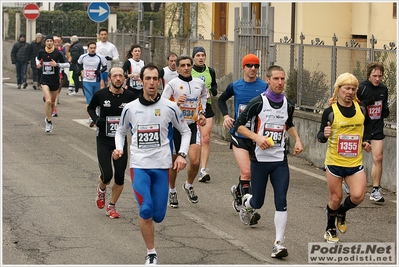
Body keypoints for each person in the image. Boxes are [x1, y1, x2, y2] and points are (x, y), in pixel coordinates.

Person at [113, 63, 191, 265]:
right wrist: (119, 148)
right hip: (139, 166)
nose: (151, 82)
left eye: (155, 79)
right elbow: (120, 132)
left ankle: (152, 243)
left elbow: (186, 131)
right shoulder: (130, 108)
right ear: (141, 81)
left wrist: (182, 154)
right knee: (145, 209)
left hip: (162, 166)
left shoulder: (170, 107)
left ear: (159, 81)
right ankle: (151, 253)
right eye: (147, 78)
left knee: (158, 215)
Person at [233, 65, 303, 258]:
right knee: (259, 202)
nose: (280, 82)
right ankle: (247, 202)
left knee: (281, 200)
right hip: (260, 160)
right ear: (268, 80)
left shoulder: (288, 104)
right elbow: (238, 126)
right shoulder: (258, 102)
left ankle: (278, 243)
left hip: (280, 161)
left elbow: (288, 123)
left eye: (282, 79)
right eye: (276, 79)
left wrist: (297, 139)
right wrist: (257, 138)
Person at [317, 72, 372, 244]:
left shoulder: (361, 109)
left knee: (358, 196)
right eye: (346, 88)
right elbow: (320, 136)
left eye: (353, 89)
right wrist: (324, 135)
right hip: (334, 162)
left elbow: (368, 125)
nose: (349, 92)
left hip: (354, 162)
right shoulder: (330, 112)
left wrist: (366, 141)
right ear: (338, 89)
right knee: (335, 198)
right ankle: (330, 228)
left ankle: (342, 212)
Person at [218, 54, 268, 212]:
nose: (253, 68)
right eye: (249, 65)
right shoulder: (235, 85)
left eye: (256, 66)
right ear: (243, 67)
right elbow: (221, 100)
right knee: (246, 171)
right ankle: (248, 211)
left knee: (253, 174)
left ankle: (238, 191)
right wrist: (226, 116)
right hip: (239, 134)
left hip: (258, 136)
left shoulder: (265, 86)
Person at [87, 66, 136, 219]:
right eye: (114, 76)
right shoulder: (101, 94)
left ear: (124, 78)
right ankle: (101, 190)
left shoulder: (130, 96)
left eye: (120, 76)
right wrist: (96, 120)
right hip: (104, 139)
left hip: (120, 141)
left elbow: (139, 110)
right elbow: (90, 108)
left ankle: (112, 206)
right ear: (109, 79)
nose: (118, 79)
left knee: (120, 176)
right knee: (107, 175)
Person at [161, 55, 208, 208]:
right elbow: (162, 103)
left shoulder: (199, 83)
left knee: (195, 162)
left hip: (192, 126)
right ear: (178, 67)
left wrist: (202, 113)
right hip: (175, 127)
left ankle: (188, 185)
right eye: (183, 65)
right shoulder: (172, 84)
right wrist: (175, 102)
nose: (186, 68)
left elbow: (203, 98)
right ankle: (172, 190)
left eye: (188, 65)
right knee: (175, 163)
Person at [356, 62, 390, 202]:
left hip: (376, 128)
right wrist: (364, 103)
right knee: (353, 158)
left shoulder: (384, 89)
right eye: (374, 76)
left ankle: (376, 190)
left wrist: (385, 110)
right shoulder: (362, 88)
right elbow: (353, 106)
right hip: (361, 128)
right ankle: (348, 182)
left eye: (380, 76)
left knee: (378, 158)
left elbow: (384, 106)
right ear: (369, 75)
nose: (377, 79)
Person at [191, 46, 218, 183]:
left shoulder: (210, 71)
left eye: (203, 55)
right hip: (191, 109)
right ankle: (192, 162)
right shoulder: (189, 71)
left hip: (206, 107)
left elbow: (214, 87)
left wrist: (211, 91)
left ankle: (203, 170)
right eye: (198, 55)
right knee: (191, 139)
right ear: (194, 57)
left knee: (205, 139)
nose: (201, 57)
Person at [36, 35, 70, 132]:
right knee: (48, 101)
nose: (49, 42)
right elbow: (37, 59)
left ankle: (48, 117)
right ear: (45, 42)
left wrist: (57, 64)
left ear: (53, 42)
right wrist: (38, 64)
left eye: (51, 41)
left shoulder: (58, 53)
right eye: (48, 41)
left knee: (52, 103)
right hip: (44, 80)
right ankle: (49, 122)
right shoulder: (41, 52)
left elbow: (67, 64)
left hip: (54, 80)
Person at [77, 41, 107, 126]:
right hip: (86, 81)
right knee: (89, 100)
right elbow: (78, 64)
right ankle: (91, 118)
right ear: (88, 49)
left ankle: (96, 115)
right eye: (91, 48)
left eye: (94, 48)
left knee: (96, 100)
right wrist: (79, 71)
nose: (93, 50)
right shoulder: (83, 57)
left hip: (96, 81)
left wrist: (99, 71)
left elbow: (105, 67)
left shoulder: (99, 57)